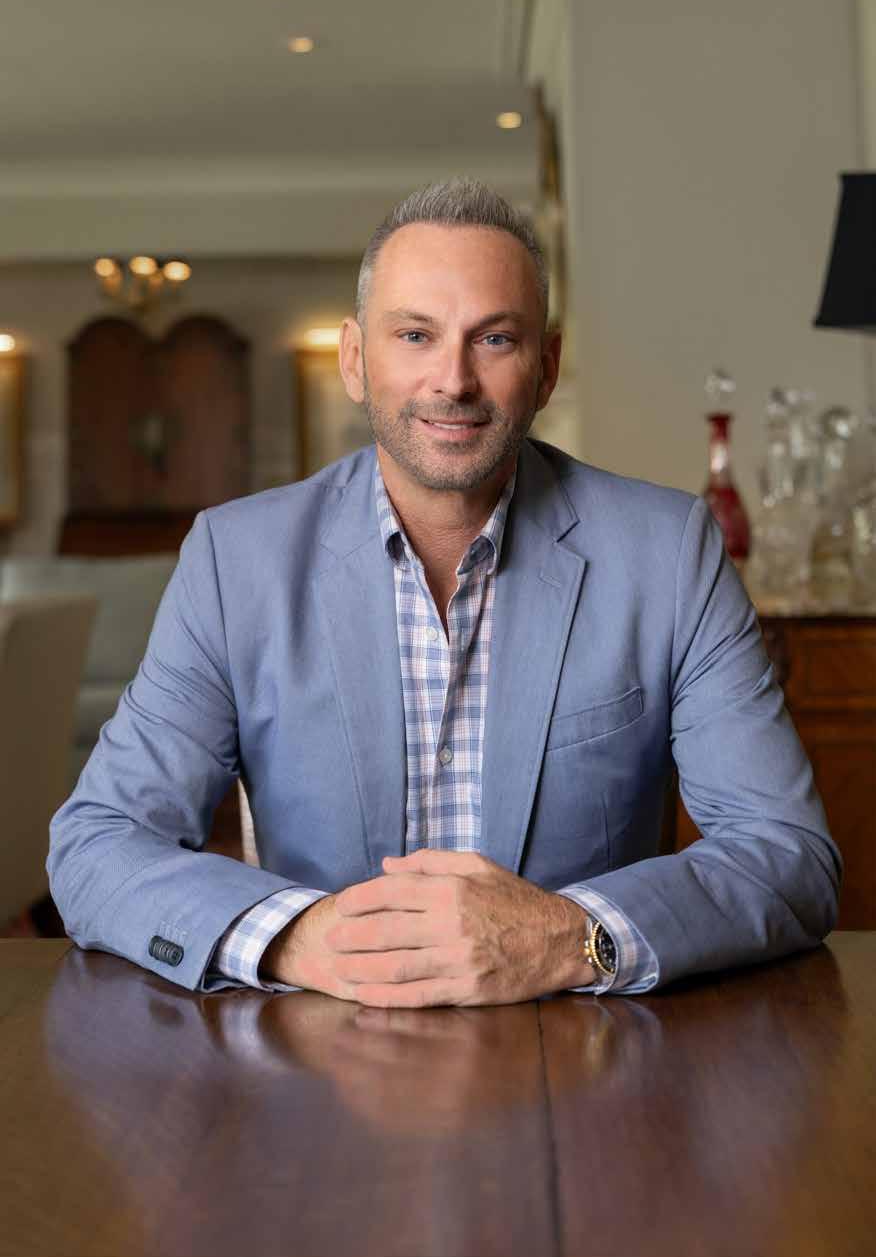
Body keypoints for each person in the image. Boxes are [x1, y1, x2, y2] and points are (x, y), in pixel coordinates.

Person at [48, 179, 841, 1004]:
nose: (453, 379)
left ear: (546, 368)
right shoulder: (234, 561)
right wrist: (297, 938)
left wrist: (570, 936)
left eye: (494, 338)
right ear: (356, 360)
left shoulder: (667, 553)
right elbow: (96, 846)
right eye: (415, 334)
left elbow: (788, 854)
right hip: (320, 1049)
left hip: (585, 1052)